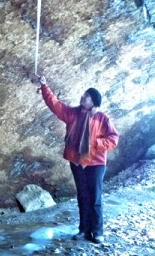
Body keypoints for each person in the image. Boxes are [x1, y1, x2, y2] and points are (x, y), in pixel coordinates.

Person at [38, 75, 119, 244]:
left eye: (86, 96)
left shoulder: (102, 118)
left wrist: (95, 144)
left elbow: (113, 139)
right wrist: (45, 86)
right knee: (82, 196)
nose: (83, 97)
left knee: (95, 198)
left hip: (96, 163)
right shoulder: (73, 113)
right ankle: (84, 230)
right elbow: (55, 105)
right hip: (77, 163)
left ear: (94, 101)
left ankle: (97, 232)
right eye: (83, 95)